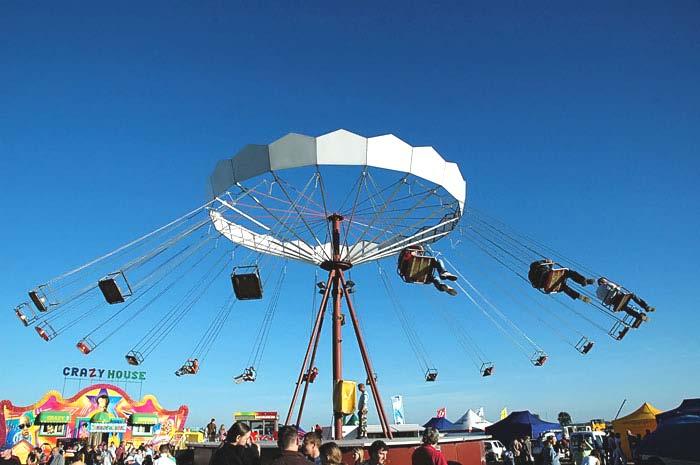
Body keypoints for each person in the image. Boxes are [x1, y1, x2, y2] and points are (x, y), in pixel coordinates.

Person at [528, 259, 595, 302]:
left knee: (563, 287)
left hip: (547, 283)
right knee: (568, 272)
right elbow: (542, 262)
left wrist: (549, 265)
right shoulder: (536, 266)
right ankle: (583, 280)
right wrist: (547, 262)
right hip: (548, 277)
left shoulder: (531, 275)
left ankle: (578, 296)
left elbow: (535, 285)